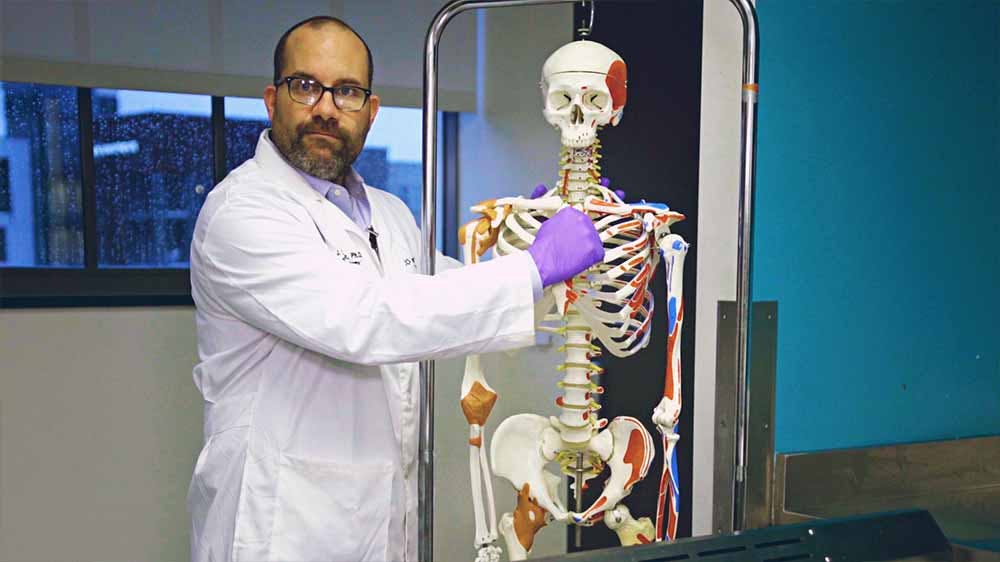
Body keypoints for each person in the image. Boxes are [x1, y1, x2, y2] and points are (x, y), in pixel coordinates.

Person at [186, 15, 604, 562]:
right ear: (272, 99)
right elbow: (368, 318)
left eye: (348, 91)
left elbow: (446, 292)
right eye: (306, 85)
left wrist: (552, 266)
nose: (326, 107)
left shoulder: (387, 212)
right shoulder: (241, 213)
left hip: (381, 519)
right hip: (282, 526)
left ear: (372, 110)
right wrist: (533, 266)